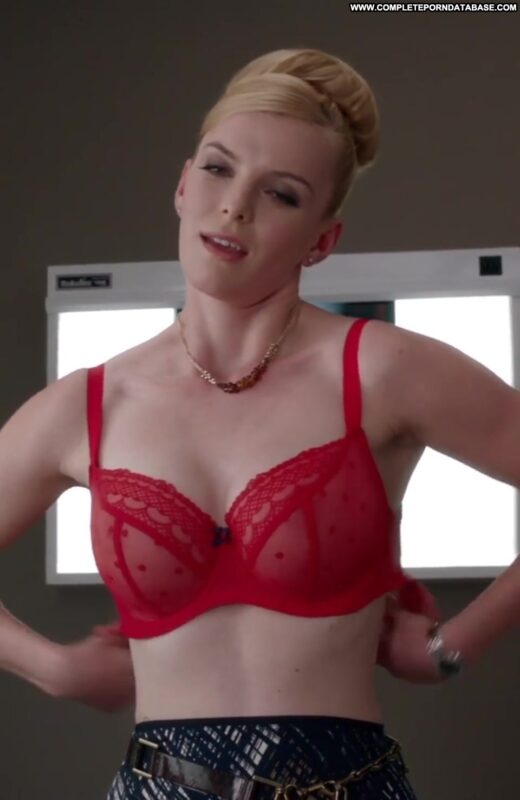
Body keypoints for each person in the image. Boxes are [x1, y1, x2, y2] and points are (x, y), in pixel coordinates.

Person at [2, 46, 517, 799]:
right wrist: (51, 667)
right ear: (183, 185)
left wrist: (453, 645)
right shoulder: (87, 405)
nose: (235, 206)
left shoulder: (383, 370)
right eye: (219, 169)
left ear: (322, 240)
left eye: (280, 194)